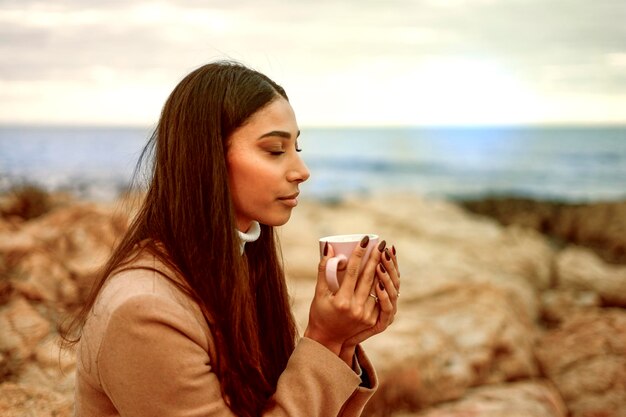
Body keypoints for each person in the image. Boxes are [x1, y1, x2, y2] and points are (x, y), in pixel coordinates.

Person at [63, 61, 400, 417]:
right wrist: (325, 339)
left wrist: (345, 341)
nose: (301, 171)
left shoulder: (237, 268)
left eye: (296, 149)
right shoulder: (145, 311)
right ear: (206, 157)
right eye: (274, 151)